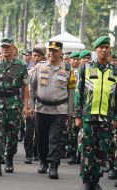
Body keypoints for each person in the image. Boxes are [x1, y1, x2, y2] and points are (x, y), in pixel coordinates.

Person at [75, 36, 117, 190]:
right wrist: (77, 115)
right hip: (88, 117)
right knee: (87, 150)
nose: (104, 50)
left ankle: (95, 180)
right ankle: (86, 181)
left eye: (107, 47)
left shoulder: (115, 71)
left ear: (110, 50)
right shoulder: (86, 68)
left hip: (107, 118)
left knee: (102, 151)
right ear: (96, 50)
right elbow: (79, 93)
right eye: (101, 47)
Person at [29, 41, 75, 179]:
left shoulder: (68, 69)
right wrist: (31, 105)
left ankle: (54, 166)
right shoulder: (39, 66)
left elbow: (71, 91)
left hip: (59, 110)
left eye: (55, 51)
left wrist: (70, 112)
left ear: (60, 52)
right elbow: (32, 86)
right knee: (41, 138)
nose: (51, 53)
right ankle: (43, 162)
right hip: (41, 109)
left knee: (55, 139)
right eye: (50, 50)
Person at [0, 37, 29, 177]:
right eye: (3, 47)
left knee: (12, 135)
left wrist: (25, 105)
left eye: (8, 47)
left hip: (14, 103)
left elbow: (25, 87)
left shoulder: (21, 65)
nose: (5, 49)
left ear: (13, 48)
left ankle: (10, 159)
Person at [24, 47, 45, 164]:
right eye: (34, 55)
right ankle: (29, 154)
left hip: (42, 105)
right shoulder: (27, 69)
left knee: (40, 130)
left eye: (38, 56)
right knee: (29, 130)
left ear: (43, 57)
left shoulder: (46, 68)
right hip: (29, 103)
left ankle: (37, 153)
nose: (35, 58)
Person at [66, 51, 81, 165]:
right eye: (73, 59)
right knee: (71, 131)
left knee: (80, 131)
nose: (76, 61)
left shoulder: (83, 72)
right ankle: (71, 153)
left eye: (77, 59)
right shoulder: (66, 72)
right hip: (69, 105)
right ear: (69, 60)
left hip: (80, 106)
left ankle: (79, 154)